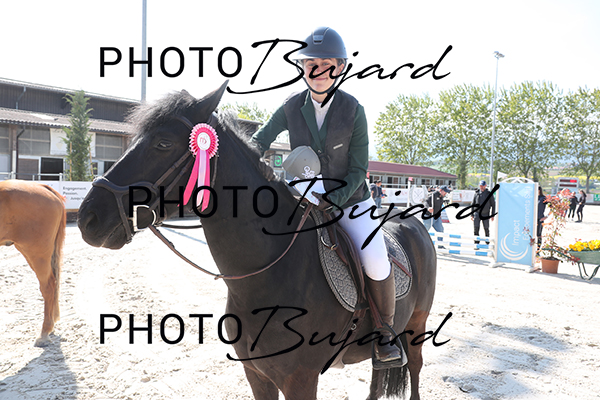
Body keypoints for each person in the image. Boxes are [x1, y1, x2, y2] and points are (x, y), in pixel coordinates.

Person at [251, 27, 405, 367]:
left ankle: (384, 333)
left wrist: (334, 199)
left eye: (327, 65)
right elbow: (259, 141)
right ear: (302, 68)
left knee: (375, 258)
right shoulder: (290, 106)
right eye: (311, 65)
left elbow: (358, 169)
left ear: (340, 68)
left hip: (350, 200)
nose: (318, 71)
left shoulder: (354, 110)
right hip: (302, 195)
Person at [470, 180, 496, 249]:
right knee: (476, 229)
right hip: (477, 214)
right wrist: (472, 214)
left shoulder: (489, 194)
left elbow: (493, 205)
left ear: (485, 186)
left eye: (483, 186)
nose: (481, 187)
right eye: (480, 186)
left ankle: (487, 243)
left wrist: (492, 215)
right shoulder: (476, 193)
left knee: (486, 229)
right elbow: (473, 204)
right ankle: (476, 244)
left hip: (486, 214)